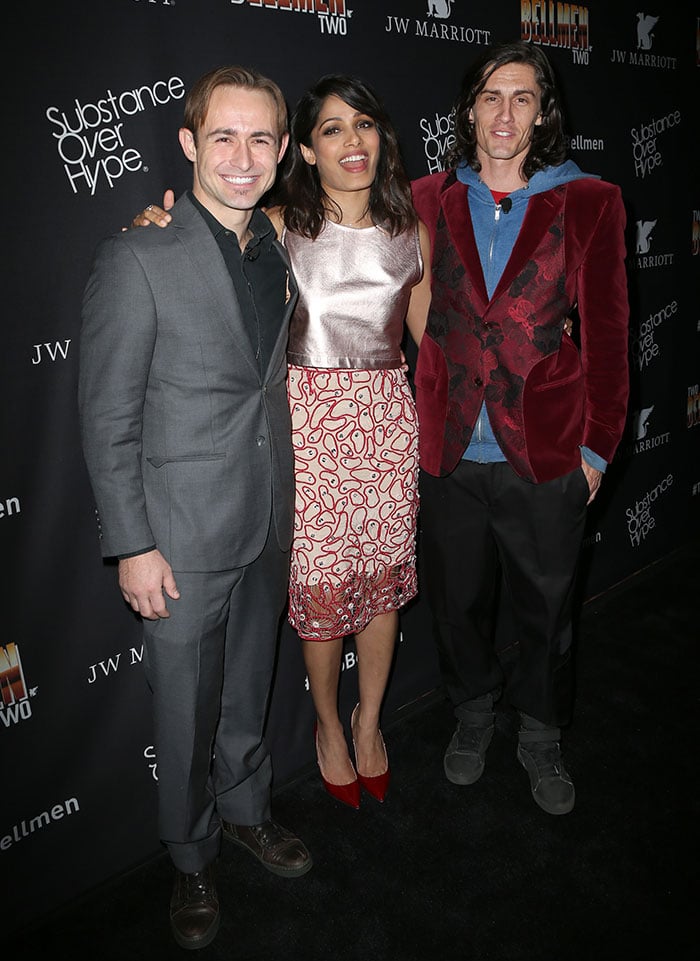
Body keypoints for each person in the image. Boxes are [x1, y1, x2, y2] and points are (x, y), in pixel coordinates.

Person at [132, 74, 432, 811]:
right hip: (310, 428)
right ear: (305, 146)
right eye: (331, 129)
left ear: (382, 138)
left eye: (364, 125)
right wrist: (156, 227)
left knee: (384, 586)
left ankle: (369, 721)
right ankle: (329, 726)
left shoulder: (414, 232)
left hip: (388, 424)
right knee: (325, 593)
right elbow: (202, 242)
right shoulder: (276, 223)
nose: (352, 142)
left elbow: (436, 346)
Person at [78, 66, 312, 953]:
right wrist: (133, 544)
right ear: (188, 144)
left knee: (248, 685)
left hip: (264, 517)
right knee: (183, 709)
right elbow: (107, 415)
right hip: (177, 533)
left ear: (283, 150)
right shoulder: (138, 252)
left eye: (261, 139)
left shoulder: (275, 249)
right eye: (223, 136)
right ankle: (189, 855)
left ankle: (248, 811)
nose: (243, 156)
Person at [410, 41, 630, 815]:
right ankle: (473, 713)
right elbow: (331, 227)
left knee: (546, 608)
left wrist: (598, 447)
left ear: (544, 113)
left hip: (547, 450)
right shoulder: (427, 197)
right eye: (491, 96)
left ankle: (539, 732)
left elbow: (608, 334)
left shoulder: (592, 201)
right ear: (469, 107)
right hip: (448, 448)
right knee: (456, 602)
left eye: (523, 98)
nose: (505, 113)